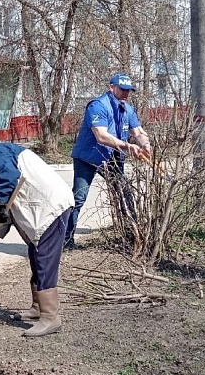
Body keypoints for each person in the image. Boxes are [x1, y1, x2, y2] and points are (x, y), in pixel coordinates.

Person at [0, 132, 74, 337]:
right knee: (36, 256)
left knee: (44, 259)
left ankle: (50, 317)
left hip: (52, 209)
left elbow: (6, 188)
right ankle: (38, 308)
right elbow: (6, 214)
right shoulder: (8, 157)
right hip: (45, 212)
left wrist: (0, 205)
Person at [65, 73, 152, 248]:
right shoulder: (98, 106)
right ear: (111, 88)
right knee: (79, 197)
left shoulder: (127, 109)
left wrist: (145, 144)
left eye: (128, 90)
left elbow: (138, 132)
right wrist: (128, 146)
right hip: (87, 157)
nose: (126, 93)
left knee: (124, 192)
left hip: (112, 158)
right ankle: (66, 240)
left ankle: (132, 233)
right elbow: (101, 136)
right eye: (122, 89)